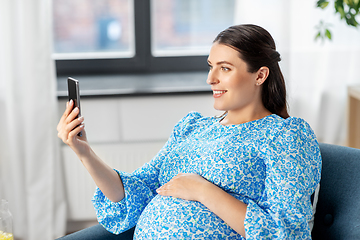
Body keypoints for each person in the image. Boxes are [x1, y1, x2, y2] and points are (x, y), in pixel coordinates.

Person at [57, 24, 321, 239]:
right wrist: (84, 153)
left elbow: (287, 233)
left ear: (260, 75)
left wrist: (203, 190)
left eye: (225, 68)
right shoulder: (192, 128)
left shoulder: (286, 136)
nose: (211, 78)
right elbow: (136, 192)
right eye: (211, 66)